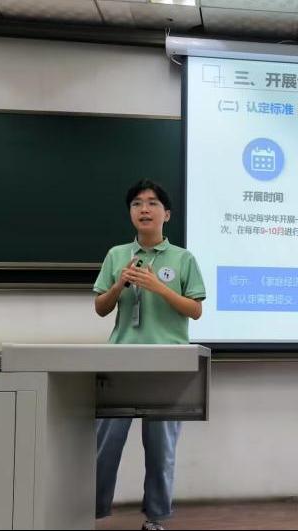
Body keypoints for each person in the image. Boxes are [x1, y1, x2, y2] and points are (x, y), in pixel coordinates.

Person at [92, 180, 206, 531]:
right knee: (105, 444)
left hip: (167, 363)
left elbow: (195, 310)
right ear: (130, 213)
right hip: (120, 361)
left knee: (160, 447)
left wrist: (159, 287)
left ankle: (155, 518)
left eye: (153, 203)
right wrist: (118, 285)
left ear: (166, 214)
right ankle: (91, 512)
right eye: (137, 203)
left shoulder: (183, 258)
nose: (144, 209)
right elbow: (100, 308)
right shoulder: (117, 255)